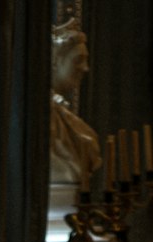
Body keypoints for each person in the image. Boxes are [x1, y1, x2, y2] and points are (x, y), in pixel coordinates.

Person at [49, 18, 101, 189]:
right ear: (55, 61)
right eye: (78, 60)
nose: (85, 68)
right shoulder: (44, 116)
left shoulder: (62, 113)